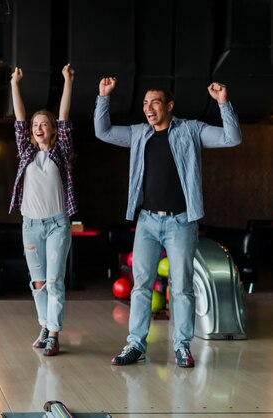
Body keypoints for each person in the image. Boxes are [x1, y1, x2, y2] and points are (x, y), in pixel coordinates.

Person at [94, 78, 242, 367]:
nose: (149, 108)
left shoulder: (191, 130)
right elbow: (103, 131)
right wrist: (103, 98)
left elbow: (232, 138)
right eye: (146, 103)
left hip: (182, 222)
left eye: (155, 102)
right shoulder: (138, 133)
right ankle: (136, 345)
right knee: (141, 287)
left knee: (182, 286)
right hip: (147, 221)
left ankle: (182, 346)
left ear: (170, 106)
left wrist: (223, 103)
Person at [8, 64, 77, 356]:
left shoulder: (60, 152)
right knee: (38, 282)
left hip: (57, 224)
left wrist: (67, 82)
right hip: (31, 225)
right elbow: (19, 119)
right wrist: (14, 84)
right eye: (35, 125)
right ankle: (45, 325)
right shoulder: (26, 151)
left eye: (43, 124)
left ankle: (55, 333)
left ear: (52, 130)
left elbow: (64, 118)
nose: (38, 128)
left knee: (54, 280)